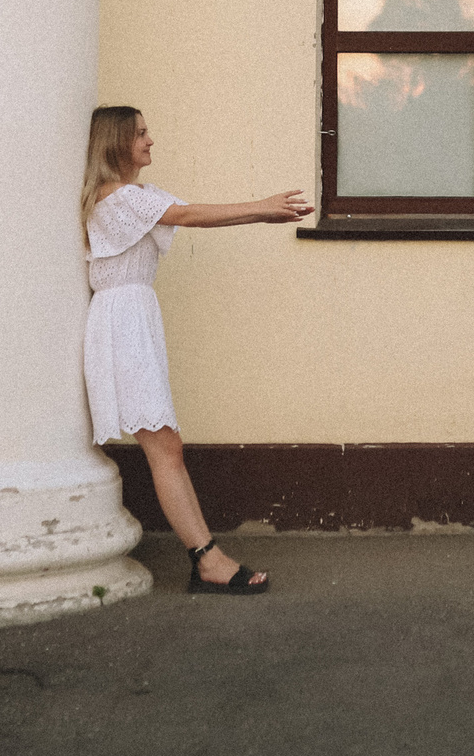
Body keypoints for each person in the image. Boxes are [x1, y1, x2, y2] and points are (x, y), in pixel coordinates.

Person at [80, 105, 310, 595]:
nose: (150, 140)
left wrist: (261, 211)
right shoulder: (116, 199)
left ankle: (207, 557)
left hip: (134, 320)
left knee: (167, 445)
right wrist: (261, 208)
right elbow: (187, 215)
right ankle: (207, 560)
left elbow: (181, 212)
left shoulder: (134, 196)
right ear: (117, 142)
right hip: (123, 325)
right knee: (165, 446)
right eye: (141, 133)